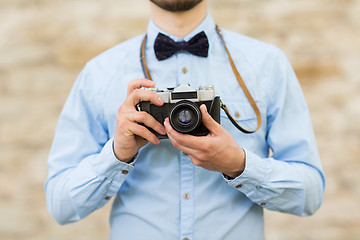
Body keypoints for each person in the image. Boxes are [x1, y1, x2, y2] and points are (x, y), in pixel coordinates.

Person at [45, 0, 325, 239]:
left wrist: (239, 165)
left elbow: (310, 195)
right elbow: (61, 205)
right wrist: (117, 154)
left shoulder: (267, 64)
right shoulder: (100, 73)